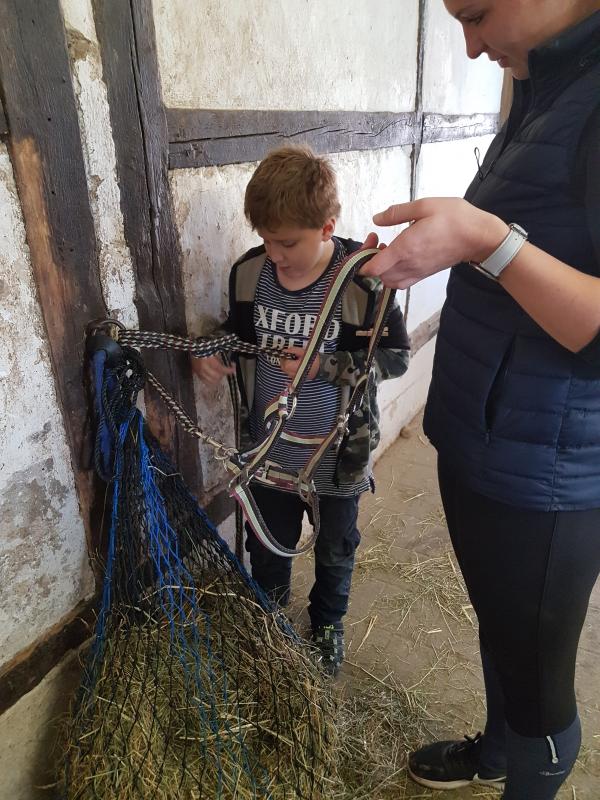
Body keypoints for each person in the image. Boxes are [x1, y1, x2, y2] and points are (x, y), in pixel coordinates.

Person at [360, 1, 600, 798]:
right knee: (498, 624)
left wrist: (482, 241)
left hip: (548, 470)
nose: (469, 43)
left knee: (539, 690)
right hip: (485, 433)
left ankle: (525, 760)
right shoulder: (550, 80)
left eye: (478, 12)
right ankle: (496, 751)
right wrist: (455, 239)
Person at [192, 145, 410, 675]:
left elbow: (395, 358)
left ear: (326, 227)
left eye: (287, 242)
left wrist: (322, 367)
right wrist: (214, 350)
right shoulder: (250, 274)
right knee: (270, 549)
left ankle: (327, 626)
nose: (275, 253)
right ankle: (270, 624)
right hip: (269, 450)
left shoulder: (363, 281)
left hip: (336, 452)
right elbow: (239, 335)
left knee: (336, 546)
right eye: (265, 239)